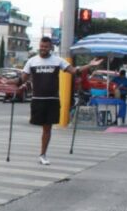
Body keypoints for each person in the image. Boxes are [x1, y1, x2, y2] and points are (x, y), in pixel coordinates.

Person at [21, 37, 102, 165]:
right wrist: (13, 83)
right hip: (37, 100)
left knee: (47, 128)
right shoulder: (32, 61)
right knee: (36, 126)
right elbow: (22, 79)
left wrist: (89, 65)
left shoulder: (58, 60)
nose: (43, 49)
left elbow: (75, 71)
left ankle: (43, 154)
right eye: (41, 46)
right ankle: (40, 152)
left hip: (52, 100)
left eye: (46, 47)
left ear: (51, 48)